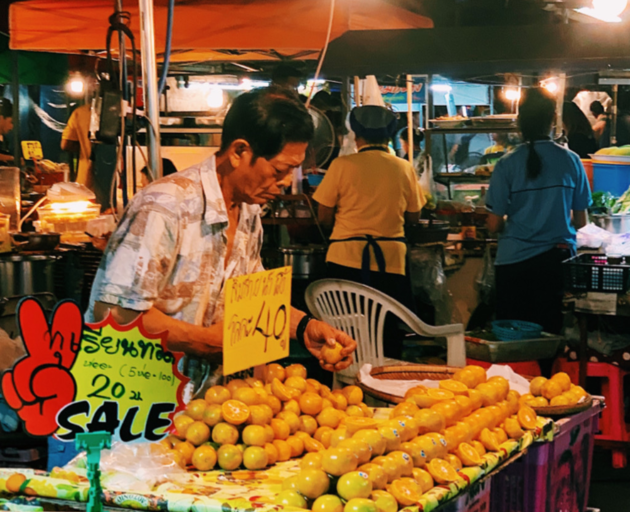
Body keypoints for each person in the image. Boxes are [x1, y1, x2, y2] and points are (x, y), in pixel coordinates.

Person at [87, 87, 356, 390]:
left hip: (213, 408)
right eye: (281, 169)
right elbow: (113, 312)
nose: (285, 183)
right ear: (240, 151)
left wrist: (305, 327)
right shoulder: (165, 206)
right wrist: (203, 342)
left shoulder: (249, 211)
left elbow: (253, 301)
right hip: (143, 406)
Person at [315, 105, 425, 357]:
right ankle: (387, 379)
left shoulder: (342, 165)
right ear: (389, 137)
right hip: (391, 261)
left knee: (344, 327)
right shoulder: (403, 167)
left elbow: (323, 216)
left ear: (356, 136)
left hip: (344, 258)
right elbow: (414, 216)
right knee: (387, 328)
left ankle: (347, 379)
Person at [486, 87, 591, 336]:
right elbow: (580, 221)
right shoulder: (571, 161)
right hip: (555, 261)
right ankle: (546, 374)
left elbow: (493, 225)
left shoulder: (506, 164)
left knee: (512, 335)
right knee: (547, 333)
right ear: (551, 120)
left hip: (513, 262)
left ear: (520, 122)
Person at [61, 103, 93, 188]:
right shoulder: (127, 112)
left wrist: (85, 146)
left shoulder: (80, 112)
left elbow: (65, 144)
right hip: (124, 182)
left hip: (87, 180)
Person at [0, 99, 14, 165]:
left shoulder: (5, 140)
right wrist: (12, 159)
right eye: (11, 122)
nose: (11, 127)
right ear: (1, 118)